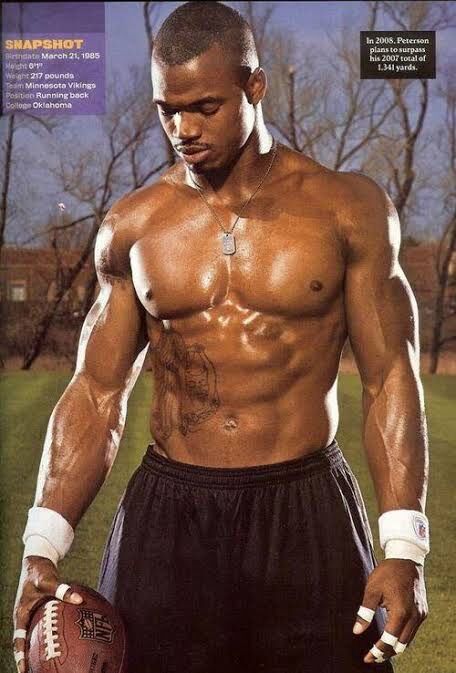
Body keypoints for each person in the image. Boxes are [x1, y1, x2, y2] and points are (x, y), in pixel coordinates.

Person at [12, 3, 430, 672]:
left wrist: (405, 545)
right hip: (170, 515)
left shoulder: (347, 210)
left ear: (254, 86)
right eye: (167, 110)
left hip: (304, 506)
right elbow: (96, 391)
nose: (183, 129)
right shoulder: (133, 226)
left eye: (204, 107)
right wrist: (41, 546)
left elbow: (389, 376)